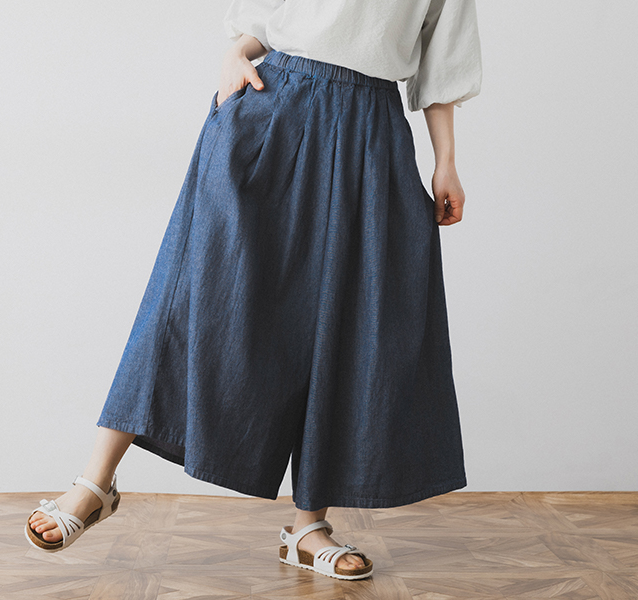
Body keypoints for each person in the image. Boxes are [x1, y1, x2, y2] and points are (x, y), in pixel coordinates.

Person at [25, 0, 482, 581]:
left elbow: (441, 61)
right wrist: (237, 52)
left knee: (347, 316)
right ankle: (95, 482)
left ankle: (308, 527)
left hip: (372, 129)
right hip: (275, 104)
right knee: (192, 294)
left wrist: (446, 161)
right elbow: (259, 19)